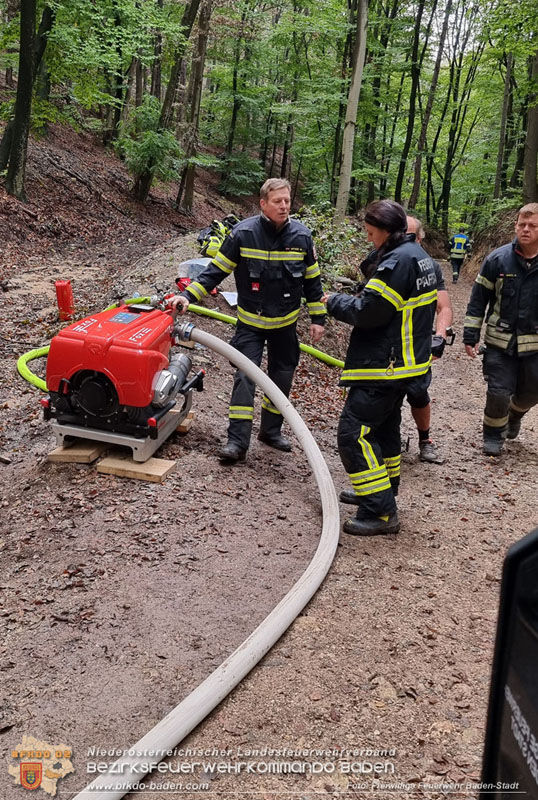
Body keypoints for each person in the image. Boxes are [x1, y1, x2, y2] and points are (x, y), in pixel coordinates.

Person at [170, 178, 326, 462]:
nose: (283, 206)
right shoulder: (243, 234)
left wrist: (318, 318)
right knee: (245, 377)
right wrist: (188, 297)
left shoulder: (301, 238)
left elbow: (313, 282)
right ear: (263, 204)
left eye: (287, 201)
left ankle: (271, 431)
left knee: (281, 378)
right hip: (250, 325)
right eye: (277, 201)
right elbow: (215, 271)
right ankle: (237, 442)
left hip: (285, 326)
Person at [322, 200, 437, 536]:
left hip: (385, 365)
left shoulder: (398, 261)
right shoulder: (418, 256)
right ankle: (380, 491)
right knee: (384, 430)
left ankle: (380, 510)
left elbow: (371, 311)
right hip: (405, 364)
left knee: (353, 433)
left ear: (384, 228)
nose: (367, 235)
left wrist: (334, 302)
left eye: (369, 229)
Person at [463, 202, 538, 457]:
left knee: (531, 392)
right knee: (498, 392)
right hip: (499, 342)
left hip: (535, 345)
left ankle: (515, 415)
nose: (525, 229)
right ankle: (493, 436)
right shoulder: (497, 259)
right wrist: (470, 335)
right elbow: (477, 300)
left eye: (532, 225)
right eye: (521, 224)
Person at [405, 216, 453, 464]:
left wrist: (440, 335)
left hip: (417, 344)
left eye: (410, 236)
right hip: (386, 345)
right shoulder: (384, 260)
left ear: (419, 239)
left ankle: (425, 440)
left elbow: (443, 307)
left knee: (418, 394)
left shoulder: (430, 267)